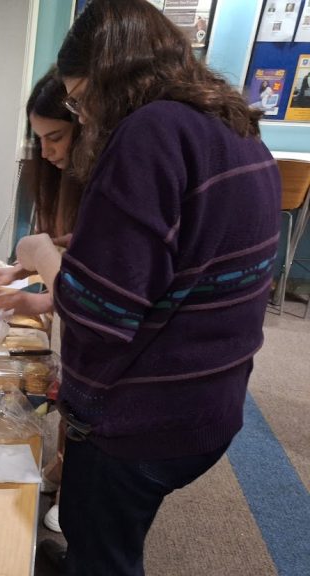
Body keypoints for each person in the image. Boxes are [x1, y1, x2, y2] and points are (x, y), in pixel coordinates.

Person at [14, 1, 282, 574]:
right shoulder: (230, 123)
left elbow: (98, 317)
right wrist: (77, 254)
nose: (84, 116)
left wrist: (41, 255)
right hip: (209, 400)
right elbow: (183, 261)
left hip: (142, 418)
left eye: (80, 100)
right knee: (106, 532)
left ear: (112, 78)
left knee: (102, 547)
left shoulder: (148, 132)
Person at [0, 66, 82, 316]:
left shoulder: (102, 185)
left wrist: (44, 299)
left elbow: (90, 295)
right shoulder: (62, 179)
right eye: (39, 140)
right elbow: (74, 250)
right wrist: (18, 271)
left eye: (56, 138)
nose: (45, 152)